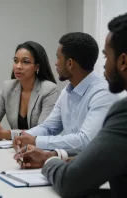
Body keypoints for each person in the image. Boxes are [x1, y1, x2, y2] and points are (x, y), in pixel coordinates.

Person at [14, 12, 127, 198]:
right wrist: (26, 136)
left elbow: (83, 147)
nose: (104, 66)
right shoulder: (68, 90)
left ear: (122, 61)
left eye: (107, 57)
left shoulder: (111, 100)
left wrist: (47, 159)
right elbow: (50, 126)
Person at [14, 32, 118, 150]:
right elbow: (48, 127)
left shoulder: (103, 93)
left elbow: (85, 140)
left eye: (58, 57)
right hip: (74, 161)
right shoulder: (66, 92)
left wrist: (36, 141)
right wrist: (23, 137)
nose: (56, 63)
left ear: (70, 63)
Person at [0, 41, 58, 141]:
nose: (18, 66)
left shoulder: (49, 90)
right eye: (16, 61)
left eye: (26, 62)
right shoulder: (7, 87)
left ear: (37, 67)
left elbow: (43, 131)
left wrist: (7, 134)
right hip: (14, 149)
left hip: (40, 151)